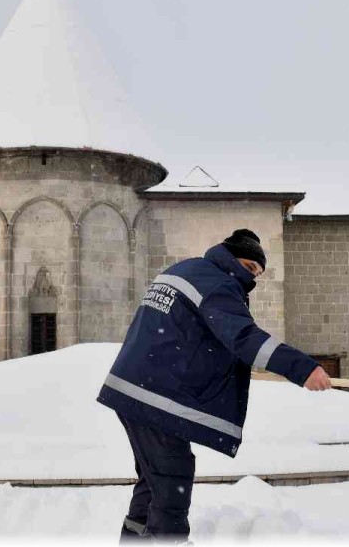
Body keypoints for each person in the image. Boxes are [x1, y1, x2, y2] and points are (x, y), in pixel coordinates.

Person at [97, 228, 332, 542]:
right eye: (250, 267)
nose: (253, 278)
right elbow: (243, 337)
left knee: (155, 480)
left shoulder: (185, 270)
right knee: (171, 481)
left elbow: (188, 335)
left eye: (258, 273)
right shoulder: (218, 283)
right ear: (232, 257)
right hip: (155, 396)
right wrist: (303, 368)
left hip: (135, 388)